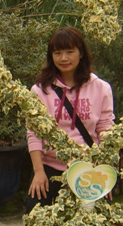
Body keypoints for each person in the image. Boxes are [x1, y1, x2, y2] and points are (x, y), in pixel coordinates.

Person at [26, 26, 115, 213]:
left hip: (89, 171)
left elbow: (106, 128)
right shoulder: (40, 90)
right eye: (57, 53)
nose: (63, 58)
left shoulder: (101, 88)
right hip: (51, 168)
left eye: (69, 52)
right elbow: (34, 133)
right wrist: (39, 172)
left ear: (81, 53)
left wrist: (105, 172)